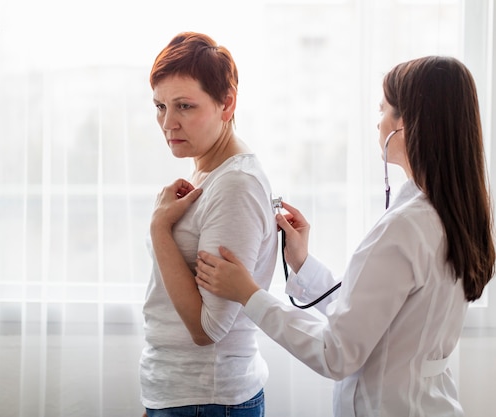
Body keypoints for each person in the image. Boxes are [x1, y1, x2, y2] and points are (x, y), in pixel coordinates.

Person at [193, 56, 495, 416]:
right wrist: (302, 264)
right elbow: (370, 319)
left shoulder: (407, 227)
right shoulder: (454, 213)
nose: (378, 122)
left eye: (383, 110)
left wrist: (249, 295)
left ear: (408, 125)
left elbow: (335, 353)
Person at [139, 32, 278, 417]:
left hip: (208, 399)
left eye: (184, 106)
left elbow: (208, 329)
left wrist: (159, 229)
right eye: (160, 106)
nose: (168, 122)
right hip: (181, 393)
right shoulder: (209, 175)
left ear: (226, 103)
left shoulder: (236, 185)